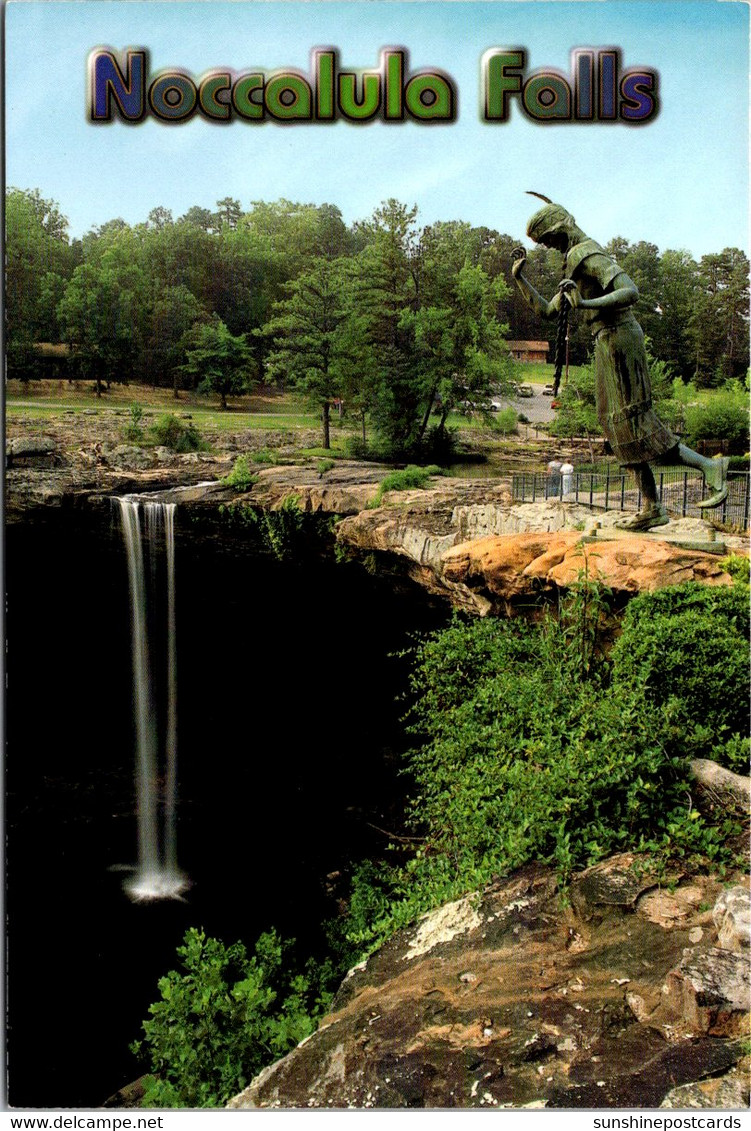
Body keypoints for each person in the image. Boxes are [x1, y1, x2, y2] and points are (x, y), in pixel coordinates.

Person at [511, 199, 729, 531]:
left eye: (550, 241)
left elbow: (630, 291)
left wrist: (585, 302)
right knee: (615, 423)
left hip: (620, 338)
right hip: (606, 341)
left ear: (560, 229)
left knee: (634, 421)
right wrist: (520, 279)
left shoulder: (587, 253)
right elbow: (547, 311)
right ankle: (652, 507)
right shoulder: (573, 261)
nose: (551, 248)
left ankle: (709, 469)